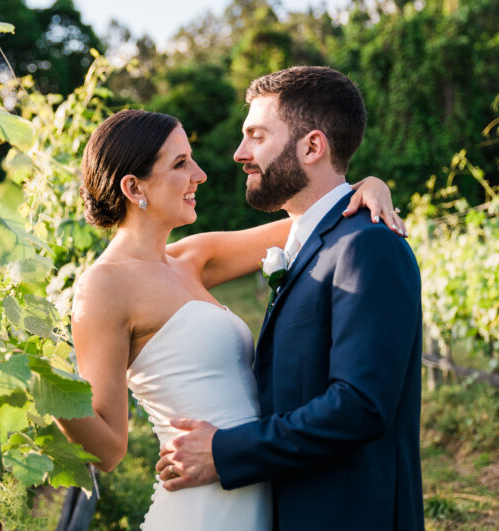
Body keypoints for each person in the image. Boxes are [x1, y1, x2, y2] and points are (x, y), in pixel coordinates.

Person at [55, 105, 406, 530]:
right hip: (201, 506)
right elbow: (108, 450)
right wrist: (48, 389)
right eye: (181, 164)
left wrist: (371, 185)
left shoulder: (192, 257)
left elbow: (320, 220)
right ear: (133, 187)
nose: (199, 174)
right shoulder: (102, 287)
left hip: (258, 485)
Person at [154, 66, 424, 530]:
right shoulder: (312, 241)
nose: (240, 154)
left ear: (312, 147)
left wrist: (224, 452)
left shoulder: (368, 245)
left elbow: (359, 406)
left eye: (256, 136)